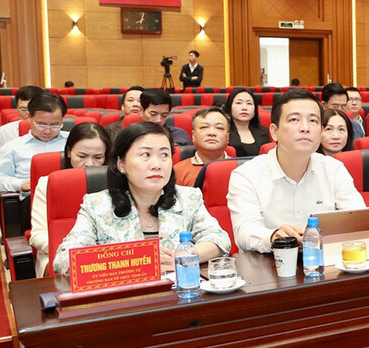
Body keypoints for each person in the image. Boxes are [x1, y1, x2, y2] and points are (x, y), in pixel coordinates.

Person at [52, 122, 230, 275]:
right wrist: (136, 260)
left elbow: (220, 240)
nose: (156, 165)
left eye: (164, 155)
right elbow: (64, 260)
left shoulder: (188, 197)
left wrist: (184, 256)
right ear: (121, 164)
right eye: (146, 155)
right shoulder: (97, 205)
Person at [227, 88, 366, 253]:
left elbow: (359, 219)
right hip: (270, 262)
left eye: (313, 121)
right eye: (294, 119)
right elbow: (244, 231)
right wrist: (273, 237)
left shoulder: (334, 169)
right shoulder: (246, 175)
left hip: (324, 261)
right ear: (274, 132)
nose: (305, 128)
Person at [30, 123, 109, 276]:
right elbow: (38, 236)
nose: (89, 164)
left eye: (98, 157)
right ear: (68, 152)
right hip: (56, 254)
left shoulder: (117, 184)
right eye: (82, 156)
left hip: (107, 255)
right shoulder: (48, 183)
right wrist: (76, 254)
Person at [0, 92, 69, 194]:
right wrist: (21, 184)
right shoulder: (12, 147)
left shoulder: (74, 142)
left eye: (55, 125)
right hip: (31, 198)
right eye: (41, 124)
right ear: (29, 117)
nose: (47, 131)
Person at [172, 107, 231, 186]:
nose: (212, 133)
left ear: (227, 137)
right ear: (193, 136)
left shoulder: (242, 168)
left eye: (219, 128)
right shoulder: (177, 171)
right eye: (204, 127)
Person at [0, 85, 46, 154]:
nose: (28, 113)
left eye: (33, 109)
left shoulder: (53, 131)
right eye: (23, 109)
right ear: (17, 109)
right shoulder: (4, 132)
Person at [224, 88, 270, 157]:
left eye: (249, 103)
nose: (244, 108)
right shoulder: (223, 132)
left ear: (254, 110)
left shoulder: (263, 131)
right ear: (230, 108)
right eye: (239, 103)